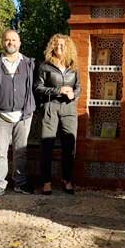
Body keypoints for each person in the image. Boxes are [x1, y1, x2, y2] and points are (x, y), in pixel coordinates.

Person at [0, 29, 36, 196]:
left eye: (14, 40)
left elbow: (35, 86)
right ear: (2, 42)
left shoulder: (30, 63)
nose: (10, 43)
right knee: (0, 151)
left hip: (23, 115)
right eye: (7, 40)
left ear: (19, 43)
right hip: (0, 115)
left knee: (21, 151)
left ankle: (20, 182)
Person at [35, 34, 81, 195]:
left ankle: (67, 180)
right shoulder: (45, 66)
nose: (59, 47)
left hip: (69, 109)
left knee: (69, 145)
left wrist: (73, 94)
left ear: (68, 47)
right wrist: (58, 90)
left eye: (62, 45)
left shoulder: (73, 66)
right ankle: (46, 182)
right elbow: (38, 87)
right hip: (50, 106)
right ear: (51, 47)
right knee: (47, 145)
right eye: (56, 45)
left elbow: (78, 87)